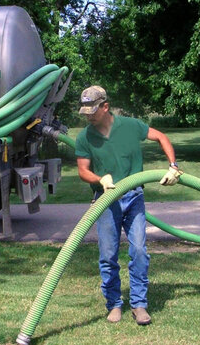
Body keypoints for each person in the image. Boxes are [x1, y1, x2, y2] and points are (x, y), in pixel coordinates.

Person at [74, 86, 182, 325]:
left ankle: (139, 304)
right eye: (85, 112)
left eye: (93, 110)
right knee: (108, 255)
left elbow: (161, 137)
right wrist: (100, 179)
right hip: (105, 199)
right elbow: (83, 170)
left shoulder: (131, 126)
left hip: (133, 196)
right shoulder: (84, 137)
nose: (88, 115)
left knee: (140, 251)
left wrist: (173, 165)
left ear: (105, 106)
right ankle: (113, 304)